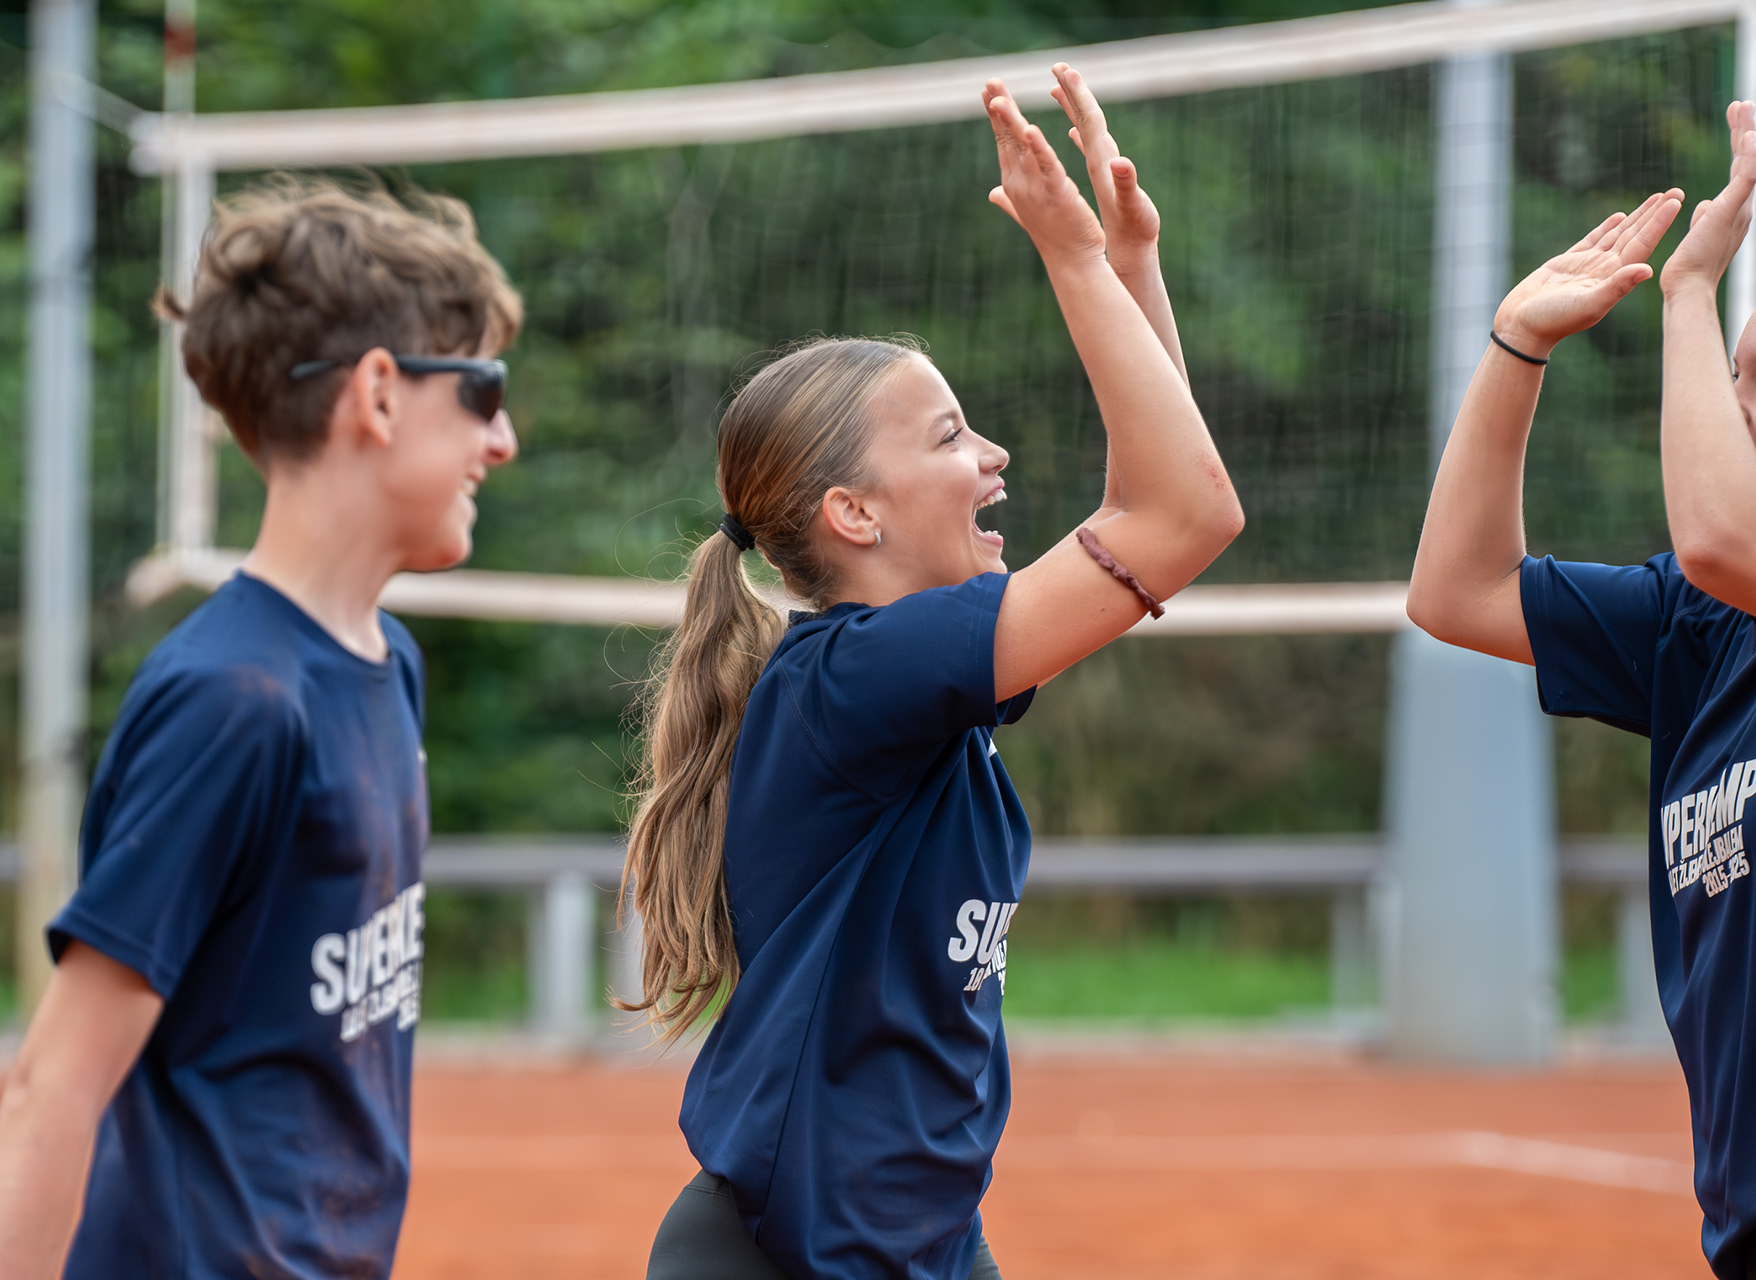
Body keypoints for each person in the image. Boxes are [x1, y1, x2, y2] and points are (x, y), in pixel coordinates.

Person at [633, 65, 1241, 1280]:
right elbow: (1184, 515)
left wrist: (1131, 268)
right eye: (953, 435)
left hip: (918, 1237)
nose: (994, 453)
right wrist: (1075, 260)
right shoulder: (859, 677)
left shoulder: (910, 683)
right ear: (853, 512)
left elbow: (1155, 498)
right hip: (795, 1253)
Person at [1410, 100, 1756, 1279]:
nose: (1730, 404)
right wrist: (1517, 346)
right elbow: (1457, 590)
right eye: (1731, 373)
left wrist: (1691, 293)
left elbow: (1723, 537)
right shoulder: (1703, 622)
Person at [0, 181, 522, 1279]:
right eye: (483, 391)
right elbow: (55, 1082)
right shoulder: (232, 699)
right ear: (378, 394)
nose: (504, 440)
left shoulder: (389, 662)